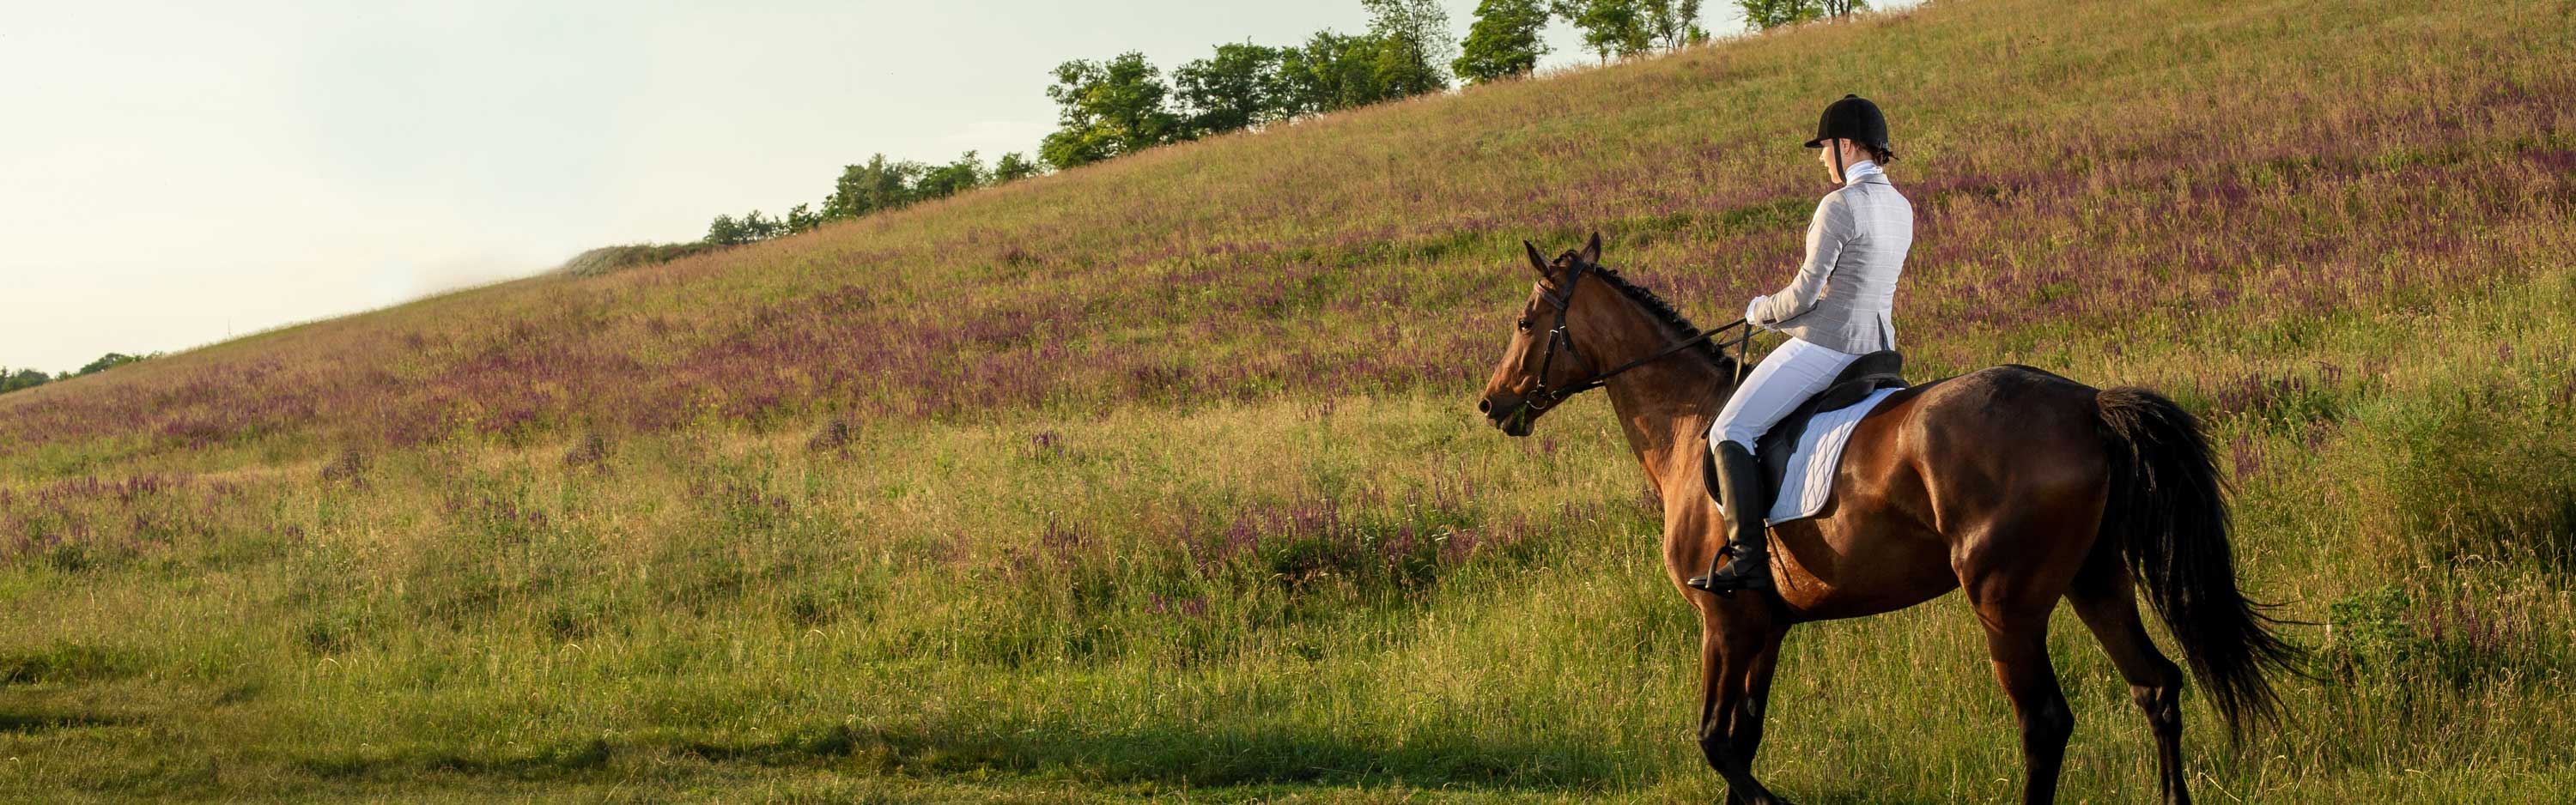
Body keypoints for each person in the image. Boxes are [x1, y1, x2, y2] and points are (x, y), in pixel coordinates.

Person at [1689, 94, 1915, 594]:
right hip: (1879, 351)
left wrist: (1759, 311)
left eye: (1824, 147)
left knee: (1730, 428)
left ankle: (1747, 559)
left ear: (1849, 145)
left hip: (1830, 349)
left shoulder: (1839, 205)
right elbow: (1857, 292)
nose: (1820, 157)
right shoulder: (1902, 207)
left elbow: (1805, 292)